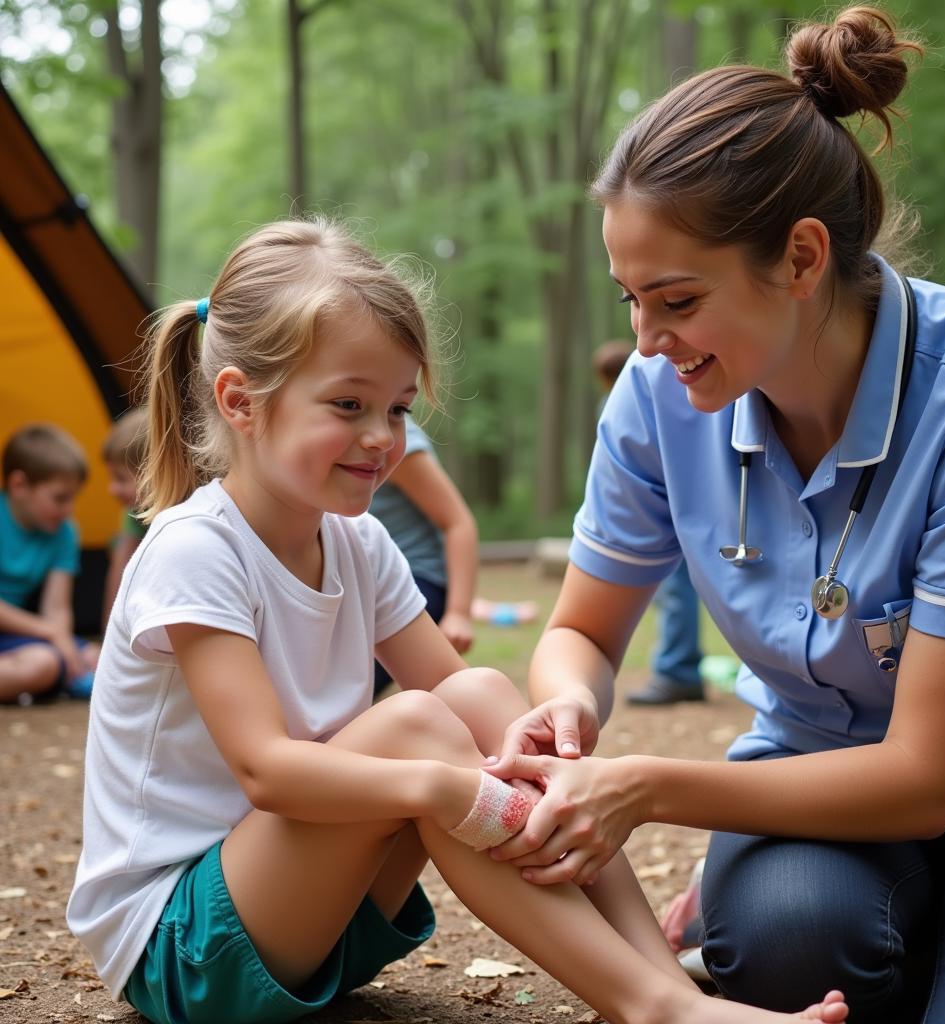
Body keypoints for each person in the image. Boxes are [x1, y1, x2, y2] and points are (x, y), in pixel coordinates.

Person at [65, 219, 847, 1024]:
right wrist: (444, 787)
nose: (382, 439)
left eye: (398, 408)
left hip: (315, 919)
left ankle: (666, 990)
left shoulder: (358, 543)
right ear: (240, 401)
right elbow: (267, 769)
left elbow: (465, 701)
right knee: (414, 728)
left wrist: (525, 748)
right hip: (183, 946)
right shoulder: (195, 548)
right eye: (348, 404)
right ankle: (658, 1010)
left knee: (476, 696)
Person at [484, 7, 945, 1024]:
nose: (646, 341)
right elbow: (580, 633)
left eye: (677, 301)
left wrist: (641, 785)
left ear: (803, 257)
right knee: (783, 945)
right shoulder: (654, 402)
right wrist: (569, 708)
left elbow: (924, 781)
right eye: (628, 300)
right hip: (810, 797)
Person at [593, 341, 705, 705]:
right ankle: (678, 668)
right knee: (676, 592)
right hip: (672, 506)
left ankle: (678, 671)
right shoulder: (639, 396)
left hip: (670, 511)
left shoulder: (632, 399)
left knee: (675, 593)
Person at [370, 415, 478, 694]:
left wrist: (459, 613)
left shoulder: (391, 443)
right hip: (368, 581)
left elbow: (458, 522)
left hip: (419, 581)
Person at [0, 423, 99, 703]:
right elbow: (50, 626)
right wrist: (52, 633)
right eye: (59, 498)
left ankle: (53, 678)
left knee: (98, 658)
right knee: (42, 664)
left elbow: (57, 607)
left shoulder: (65, 531)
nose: (69, 510)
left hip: (15, 636)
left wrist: (64, 643)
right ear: (19, 485)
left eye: (73, 498)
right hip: (28, 634)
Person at [101, 407, 149, 628]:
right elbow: (120, 573)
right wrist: (109, 634)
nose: (112, 489)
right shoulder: (134, 512)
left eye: (121, 478)